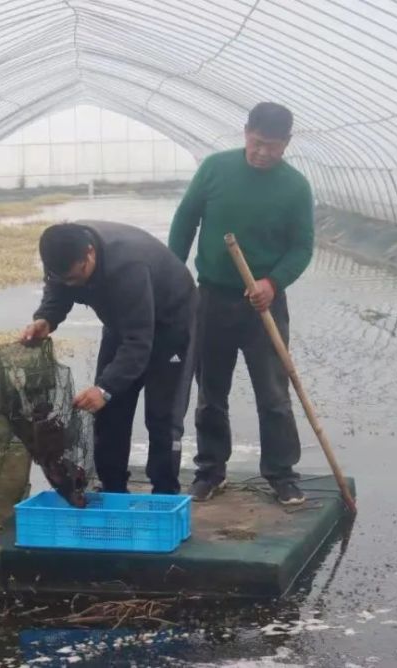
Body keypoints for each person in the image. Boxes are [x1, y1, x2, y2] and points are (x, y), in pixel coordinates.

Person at [168, 102, 314, 505]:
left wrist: (273, 282)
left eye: (272, 146)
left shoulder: (296, 188)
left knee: (274, 393)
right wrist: (172, 274)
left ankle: (282, 474)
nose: (262, 152)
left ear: (287, 143)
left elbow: (302, 248)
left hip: (263, 306)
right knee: (211, 391)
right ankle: (210, 471)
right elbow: (185, 221)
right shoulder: (215, 169)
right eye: (256, 142)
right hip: (212, 298)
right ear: (245, 131)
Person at [23, 221, 198, 495]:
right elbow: (58, 290)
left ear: (90, 253)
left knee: (162, 416)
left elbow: (139, 342)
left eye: (76, 276)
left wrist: (105, 388)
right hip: (122, 322)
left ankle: (165, 491)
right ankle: (113, 487)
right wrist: (47, 318)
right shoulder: (61, 256)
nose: (72, 284)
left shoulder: (128, 267)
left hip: (170, 324)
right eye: (64, 278)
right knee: (108, 411)